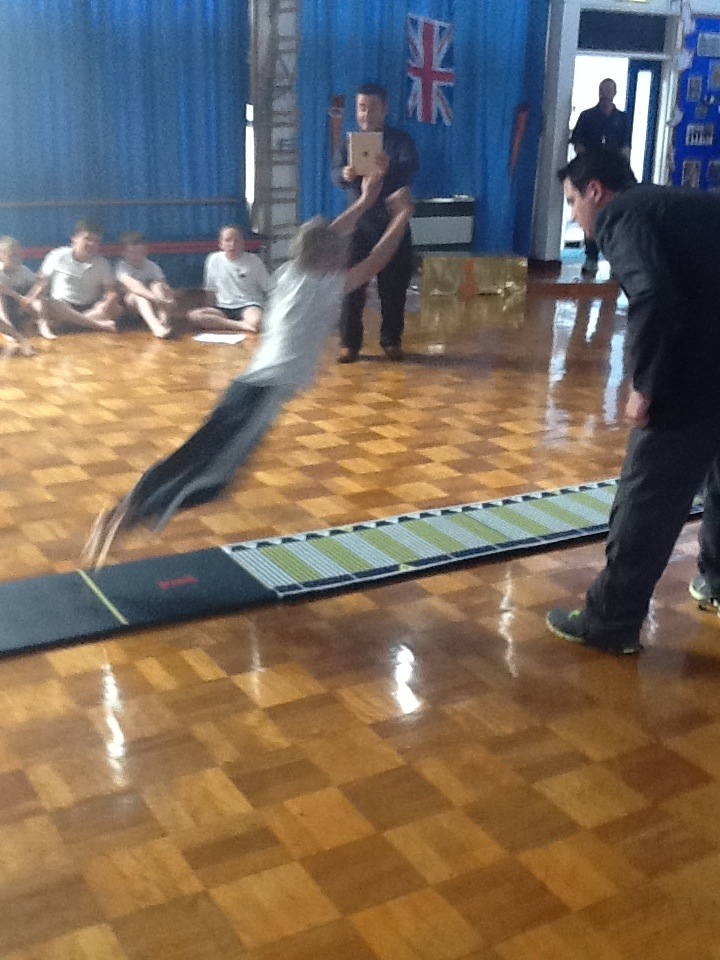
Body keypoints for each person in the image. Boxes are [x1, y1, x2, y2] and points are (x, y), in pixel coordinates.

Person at [81, 175, 414, 568]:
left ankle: (125, 508)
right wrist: (402, 215)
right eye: (337, 252)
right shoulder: (324, 286)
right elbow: (376, 260)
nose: (343, 254)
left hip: (246, 388)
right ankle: (126, 519)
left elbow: (330, 235)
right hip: (261, 397)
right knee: (208, 481)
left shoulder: (292, 272)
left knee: (191, 457)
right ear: (327, 257)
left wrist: (366, 199)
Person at [546, 148, 720, 655]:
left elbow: (653, 294)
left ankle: (610, 622)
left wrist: (644, 385)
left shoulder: (622, 214)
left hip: (695, 372)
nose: (574, 215)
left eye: (573, 202)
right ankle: (715, 582)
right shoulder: (679, 205)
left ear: (595, 191)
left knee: (648, 496)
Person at [331, 82, 418, 362]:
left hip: (393, 221)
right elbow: (334, 173)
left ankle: (391, 340)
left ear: (384, 109)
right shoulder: (349, 142)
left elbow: (410, 168)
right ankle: (349, 343)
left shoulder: (399, 141)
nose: (366, 114)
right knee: (352, 283)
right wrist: (345, 175)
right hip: (360, 222)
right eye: (361, 108)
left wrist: (389, 168)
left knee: (395, 284)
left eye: (372, 108)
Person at [570, 79, 631, 276]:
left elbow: (626, 146)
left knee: (615, 217)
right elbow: (578, 143)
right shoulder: (587, 116)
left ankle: (615, 260)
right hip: (592, 174)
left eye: (609, 91)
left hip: (613, 175)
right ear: (599, 91)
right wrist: (587, 164)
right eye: (603, 90)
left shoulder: (622, 118)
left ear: (615, 93)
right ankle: (591, 258)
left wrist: (620, 167)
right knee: (591, 216)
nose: (606, 94)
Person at [30, 219, 120, 338]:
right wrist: (32, 297)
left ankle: (71, 324)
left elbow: (110, 291)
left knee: (117, 309)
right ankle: (98, 325)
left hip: (90, 307)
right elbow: (41, 282)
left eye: (96, 241)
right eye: (87, 239)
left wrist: (110, 298)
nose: (91, 244)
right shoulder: (57, 255)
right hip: (63, 306)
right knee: (46, 304)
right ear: (74, 238)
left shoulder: (103, 263)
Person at [187, 226, 269, 335]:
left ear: (243, 243)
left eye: (236, 241)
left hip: (248, 305)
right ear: (221, 244)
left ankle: (235, 324)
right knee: (193, 316)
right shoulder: (213, 259)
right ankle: (242, 325)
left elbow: (268, 288)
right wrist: (209, 312)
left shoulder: (254, 261)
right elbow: (210, 290)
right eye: (228, 240)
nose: (232, 244)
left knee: (257, 321)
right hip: (223, 308)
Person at [115, 232, 175, 338]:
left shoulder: (151, 266)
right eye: (132, 253)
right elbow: (133, 286)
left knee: (157, 286)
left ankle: (164, 320)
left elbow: (164, 285)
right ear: (123, 253)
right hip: (130, 307)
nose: (137, 256)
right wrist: (155, 298)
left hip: (155, 303)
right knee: (139, 296)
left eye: (141, 252)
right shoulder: (122, 267)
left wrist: (169, 298)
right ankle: (155, 326)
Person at [0, 237, 37, 356]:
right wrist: (18, 297)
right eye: (12, 255)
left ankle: (36, 325)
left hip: (18, 309)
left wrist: (29, 296)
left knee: (42, 301)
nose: (16, 259)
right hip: (7, 307)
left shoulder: (23, 270)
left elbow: (39, 282)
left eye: (18, 255)